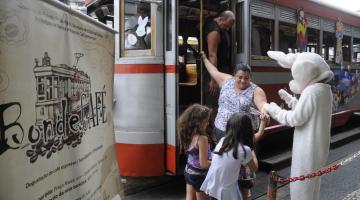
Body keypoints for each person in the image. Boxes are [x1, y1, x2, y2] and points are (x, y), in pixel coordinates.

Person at [265, 51, 333, 200]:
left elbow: (295, 119)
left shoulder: (311, 92)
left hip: (306, 153)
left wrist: (273, 109)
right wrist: (291, 100)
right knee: (312, 192)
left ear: (306, 71)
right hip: (317, 152)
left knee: (300, 193)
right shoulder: (324, 90)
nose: (294, 82)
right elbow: (310, 114)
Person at [200, 52, 267, 141]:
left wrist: (263, 114)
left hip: (242, 135)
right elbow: (213, 71)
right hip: (221, 130)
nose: (243, 81)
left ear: (250, 78)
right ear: (234, 76)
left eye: (246, 78)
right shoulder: (226, 81)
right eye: (240, 77)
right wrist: (204, 59)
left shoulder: (256, 90)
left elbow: (263, 106)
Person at [200, 113, 259, 200]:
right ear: (248, 130)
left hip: (212, 187)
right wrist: (252, 150)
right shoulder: (245, 150)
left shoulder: (222, 141)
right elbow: (254, 168)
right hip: (226, 192)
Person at [203, 10, 235, 115]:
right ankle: (213, 128)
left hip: (219, 71)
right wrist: (214, 79)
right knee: (213, 103)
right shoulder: (214, 32)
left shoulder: (216, 26)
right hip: (214, 72)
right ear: (220, 19)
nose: (227, 29)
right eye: (226, 26)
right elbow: (212, 55)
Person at [177, 104, 212, 200]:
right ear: (199, 123)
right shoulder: (202, 138)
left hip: (189, 171)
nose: (208, 123)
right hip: (199, 175)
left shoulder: (186, 132)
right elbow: (204, 164)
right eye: (206, 121)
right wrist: (218, 163)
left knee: (190, 197)